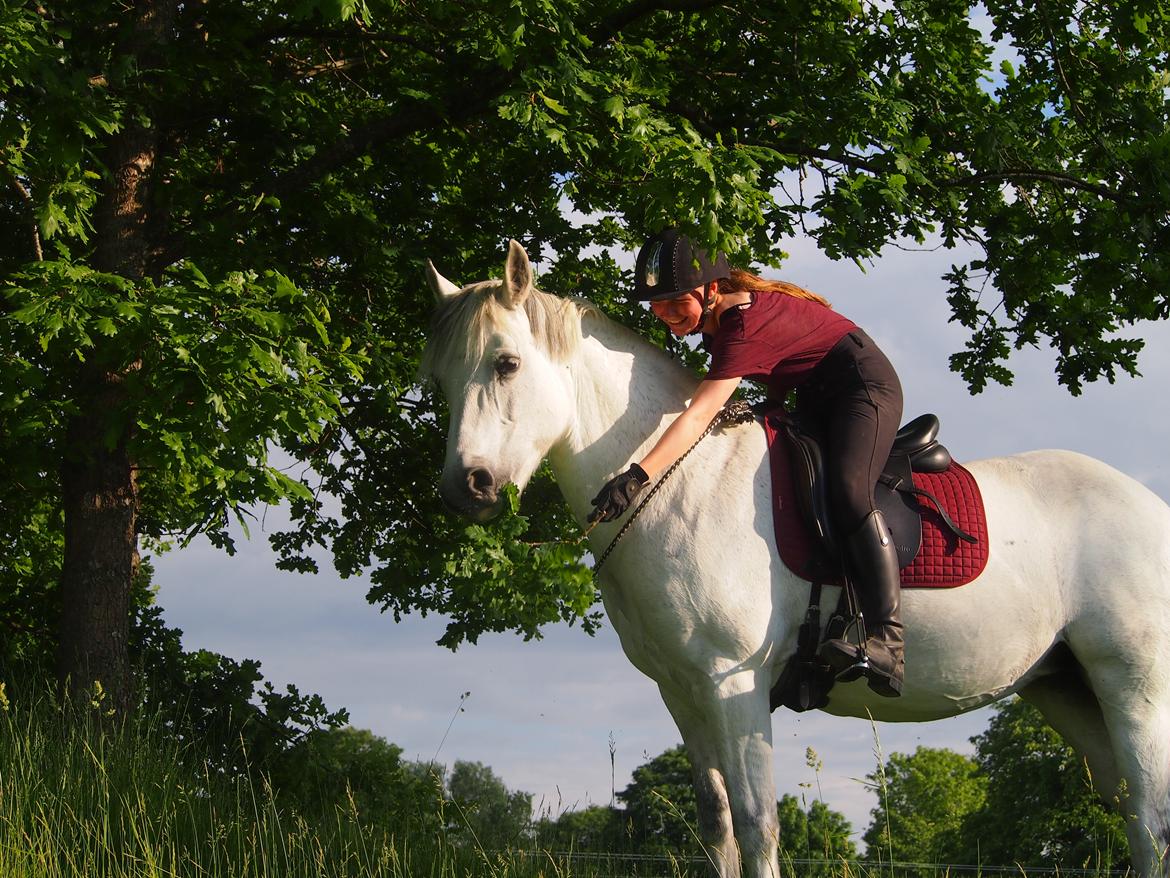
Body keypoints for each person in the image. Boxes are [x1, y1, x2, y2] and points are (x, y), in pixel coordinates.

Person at [588, 228, 906, 697]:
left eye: (675, 302)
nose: (665, 315)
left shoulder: (740, 326)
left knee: (847, 488)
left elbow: (699, 412)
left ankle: (888, 642)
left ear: (711, 289)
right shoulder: (720, 325)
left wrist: (637, 475)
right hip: (817, 396)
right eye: (656, 306)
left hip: (864, 390)